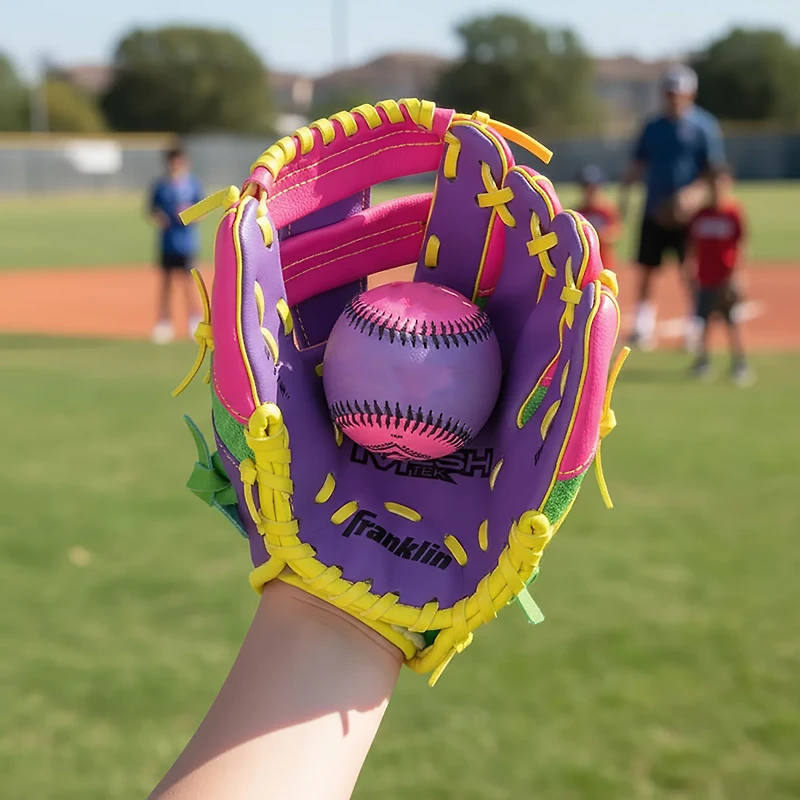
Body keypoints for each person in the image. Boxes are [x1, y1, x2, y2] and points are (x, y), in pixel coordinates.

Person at [619, 64, 726, 351]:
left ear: (691, 94)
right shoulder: (653, 127)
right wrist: (624, 197)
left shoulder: (704, 127)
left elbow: (713, 171)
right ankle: (643, 326)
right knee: (647, 268)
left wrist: (692, 196)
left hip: (687, 214)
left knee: (689, 269)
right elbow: (637, 164)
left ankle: (695, 326)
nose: (673, 98)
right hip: (654, 208)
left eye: (678, 93)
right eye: (669, 92)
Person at [686, 165, 753, 386]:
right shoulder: (700, 214)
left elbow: (741, 244)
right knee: (703, 321)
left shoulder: (733, 212)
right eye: (713, 183)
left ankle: (740, 362)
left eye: (721, 182)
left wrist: (737, 276)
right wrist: (691, 269)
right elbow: (693, 244)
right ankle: (703, 361)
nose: (716, 187)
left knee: (732, 321)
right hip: (706, 276)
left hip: (726, 277)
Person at [149, 147, 204, 344]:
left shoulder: (193, 185)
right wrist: (159, 218)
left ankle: (194, 321)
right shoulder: (160, 186)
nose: (176, 165)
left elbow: (203, 210)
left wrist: (190, 213)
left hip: (187, 243)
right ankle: (164, 323)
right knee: (166, 284)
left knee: (190, 284)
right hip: (167, 243)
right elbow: (152, 210)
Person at [575, 165, 621, 271]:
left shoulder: (607, 210)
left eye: (593, 188)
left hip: (604, 264)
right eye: (586, 188)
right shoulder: (578, 212)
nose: (589, 192)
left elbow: (616, 233)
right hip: (584, 266)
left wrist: (597, 235)